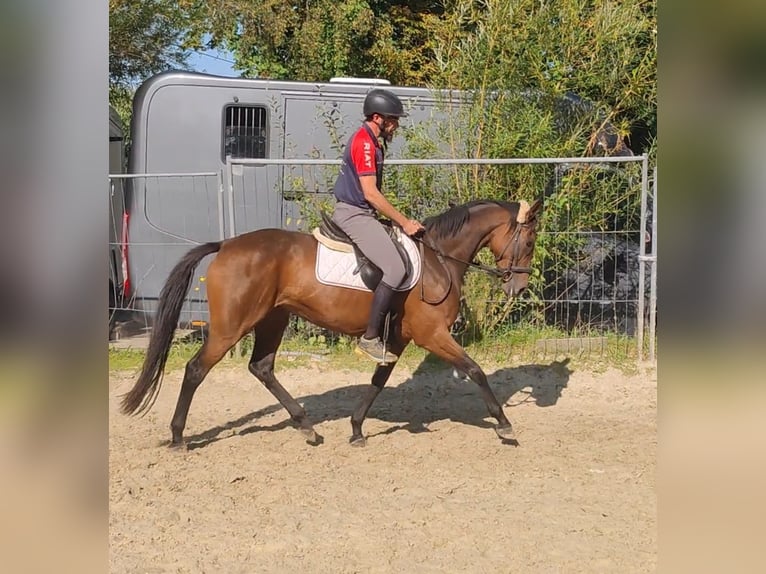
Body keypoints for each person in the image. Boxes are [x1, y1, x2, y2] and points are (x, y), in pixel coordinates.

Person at [331, 88, 425, 363]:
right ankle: (370, 338)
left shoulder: (372, 142)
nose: (395, 124)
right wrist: (404, 222)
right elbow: (370, 193)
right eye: (392, 119)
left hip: (362, 212)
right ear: (377, 118)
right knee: (396, 268)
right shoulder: (364, 144)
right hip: (354, 214)